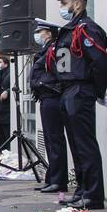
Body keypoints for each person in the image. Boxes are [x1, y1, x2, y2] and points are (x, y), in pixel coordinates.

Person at [53, 0, 107, 210]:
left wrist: (98, 91)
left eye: (65, 3)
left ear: (78, 3)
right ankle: (82, 189)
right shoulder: (71, 28)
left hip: (80, 90)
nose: (62, 7)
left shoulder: (86, 28)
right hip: (68, 91)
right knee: (76, 146)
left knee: (85, 145)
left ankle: (93, 195)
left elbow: (99, 62)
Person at [29, 18, 68, 195]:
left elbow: (60, 74)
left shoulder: (56, 49)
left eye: (40, 31)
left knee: (55, 140)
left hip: (53, 97)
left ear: (49, 33)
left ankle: (59, 181)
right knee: (51, 141)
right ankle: (53, 178)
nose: (38, 34)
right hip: (46, 98)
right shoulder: (47, 50)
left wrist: (44, 84)